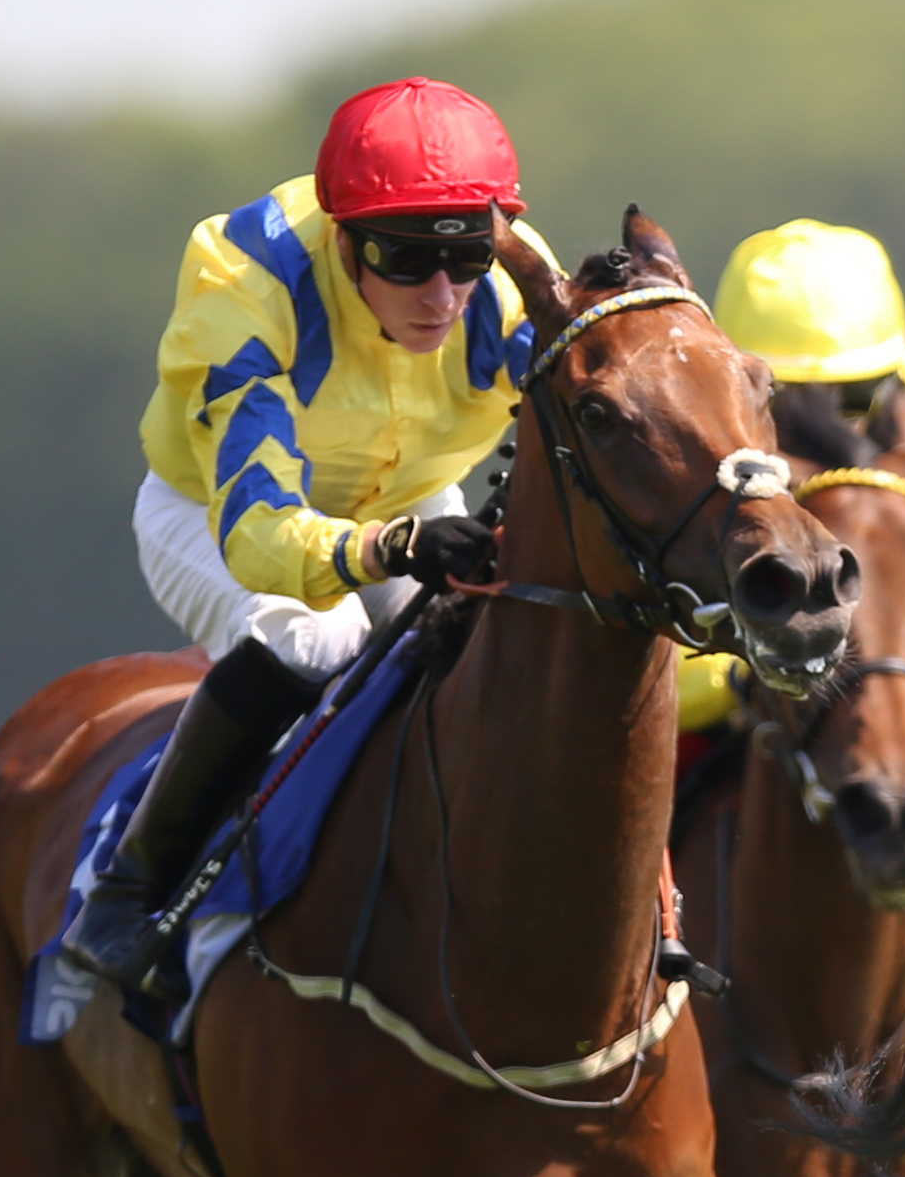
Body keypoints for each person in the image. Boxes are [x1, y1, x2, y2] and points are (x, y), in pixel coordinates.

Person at [64, 78, 551, 996]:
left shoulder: (508, 281)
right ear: (343, 239)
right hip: (211, 512)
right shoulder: (244, 278)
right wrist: (391, 550)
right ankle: (129, 892)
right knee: (321, 639)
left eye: (463, 257)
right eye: (405, 262)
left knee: (494, 658)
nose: (442, 295)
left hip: (410, 501)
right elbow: (259, 534)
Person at [676, 219, 905, 737]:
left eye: (853, 397)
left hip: (891, 685)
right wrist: (735, 677)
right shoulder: (684, 419)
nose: (827, 424)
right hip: (734, 682)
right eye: (784, 400)